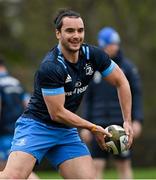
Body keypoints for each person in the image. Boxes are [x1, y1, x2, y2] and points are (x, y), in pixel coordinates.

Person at [0, 9, 133, 179]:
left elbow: (121, 81)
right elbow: (57, 113)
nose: (76, 36)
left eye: (80, 30)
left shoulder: (93, 55)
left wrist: (127, 121)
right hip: (36, 126)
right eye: (70, 31)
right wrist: (92, 127)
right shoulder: (51, 66)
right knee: (13, 177)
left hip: (65, 131)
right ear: (58, 33)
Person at [80, 27, 143, 179]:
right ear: (102, 45)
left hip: (120, 125)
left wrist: (137, 120)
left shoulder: (128, 68)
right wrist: (86, 126)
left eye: (116, 44)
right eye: (110, 44)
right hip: (98, 125)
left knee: (124, 165)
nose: (114, 47)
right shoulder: (91, 68)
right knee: (96, 166)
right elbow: (86, 99)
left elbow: (137, 94)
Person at [0, 59, 39, 179]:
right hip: (19, 130)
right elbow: (28, 104)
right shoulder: (16, 83)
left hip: (4, 132)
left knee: (13, 171)